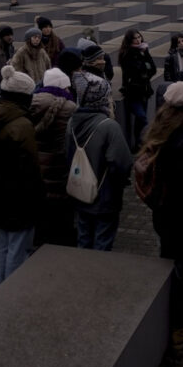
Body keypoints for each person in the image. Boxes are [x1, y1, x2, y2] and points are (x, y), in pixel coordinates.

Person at [139, 81, 183, 350]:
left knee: (169, 265)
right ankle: (179, 328)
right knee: (182, 270)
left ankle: (173, 315)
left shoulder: (159, 129)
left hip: (163, 213)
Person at [0, 65, 44, 283]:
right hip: (20, 194)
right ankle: (11, 291)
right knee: (19, 246)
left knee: (4, 243)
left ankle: (1, 284)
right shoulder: (21, 125)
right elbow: (31, 166)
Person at [65, 72, 133, 250]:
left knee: (83, 239)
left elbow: (67, 153)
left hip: (80, 192)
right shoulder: (109, 126)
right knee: (102, 244)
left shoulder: (71, 122)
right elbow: (122, 163)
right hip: (105, 199)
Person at [29, 67, 78, 247]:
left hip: (38, 162)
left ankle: (41, 235)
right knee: (60, 203)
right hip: (59, 162)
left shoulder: (32, 102)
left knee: (44, 200)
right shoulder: (69, 107)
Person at [117, 29, 157, 152]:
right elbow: (136, 70)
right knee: (142, 117)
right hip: (132, 92)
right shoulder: (127, 53)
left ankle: (137, 146)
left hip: (144, 91)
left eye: (140, 37)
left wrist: (145, 64)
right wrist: (145, 67)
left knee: (140, 122)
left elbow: (153, 69)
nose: (139, 40)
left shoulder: (144, 51)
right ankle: (146, 143)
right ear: (130, 40)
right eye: (135, 38)